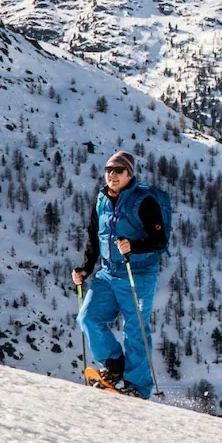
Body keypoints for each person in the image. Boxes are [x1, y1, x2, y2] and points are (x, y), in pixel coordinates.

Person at [73, 150, 167, 398]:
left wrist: (133, 246)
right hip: (107, 273)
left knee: (135, 330)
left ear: (129, 174)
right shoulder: (101, 200)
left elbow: (159, 241)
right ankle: (115, 366)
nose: (111, 175)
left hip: (138, 274)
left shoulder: (144, 201)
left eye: (118, 171)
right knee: (87, 318)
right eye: (108, 170)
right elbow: (94, 237)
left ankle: (138, 387)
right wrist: (85, 267)